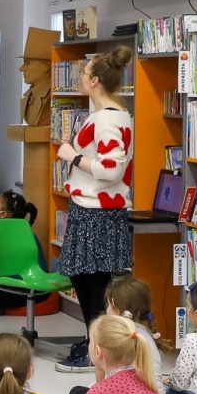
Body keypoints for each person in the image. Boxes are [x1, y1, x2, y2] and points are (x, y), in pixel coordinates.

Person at [53, 44, 136, 374]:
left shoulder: (108, 119)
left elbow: (111, 169)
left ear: (96, 81)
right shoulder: (112, 114)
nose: (80, 78)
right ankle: (94, 343)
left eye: (84, 73)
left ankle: (97, 349)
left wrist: (72, 156)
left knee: (92, 282)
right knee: (86, 278)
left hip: (97, 210)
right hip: (92, 207)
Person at [70, 271, 164, 394]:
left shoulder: (113, 335)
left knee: (76, 392)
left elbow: (101, 380)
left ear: (115, 308)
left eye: (108, 304)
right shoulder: (148, 334)